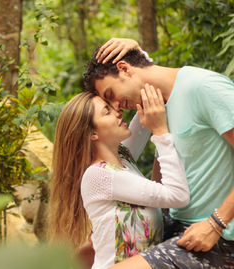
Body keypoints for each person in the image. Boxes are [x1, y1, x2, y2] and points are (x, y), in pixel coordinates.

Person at [83, 38, 234, 268]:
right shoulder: (155, 105)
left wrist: (216, 223)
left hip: (219, 235)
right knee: (89, 250)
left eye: (111, 94)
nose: (117, 107)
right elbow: (165, 167)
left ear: (124, 68)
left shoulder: (203, 87)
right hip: (176, 224)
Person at [49, 84, 190, 268]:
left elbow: (145, 94)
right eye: (107, 111)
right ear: (92, 133)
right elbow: (178, 195)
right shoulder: (98, 176)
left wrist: (136, 57)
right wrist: (161, 132)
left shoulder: (122, 158)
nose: (117, 111)